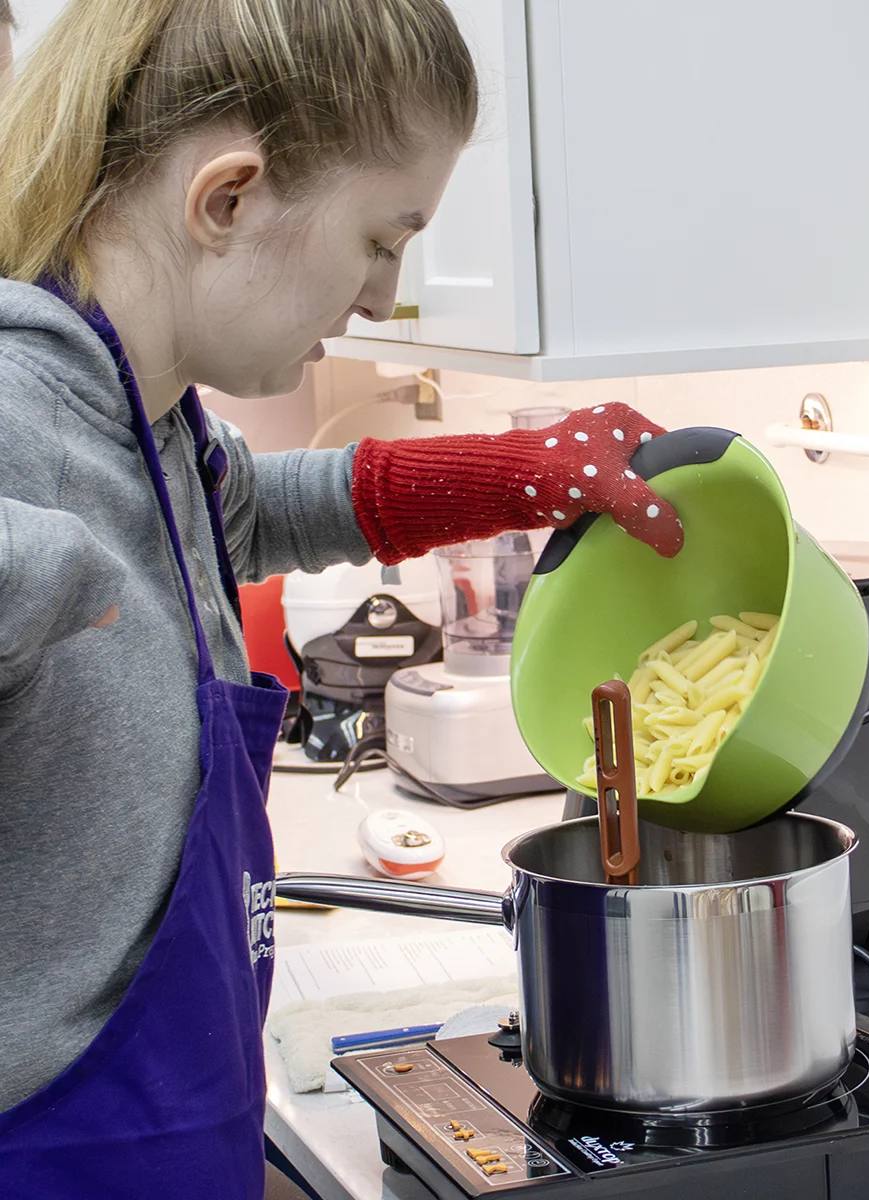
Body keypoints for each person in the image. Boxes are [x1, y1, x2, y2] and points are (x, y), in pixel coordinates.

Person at [0, 1, 682, 1196]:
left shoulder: (143, 414)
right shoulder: (24, 427)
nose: (382, 293)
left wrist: (520, 472)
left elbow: (249, 509)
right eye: (380, 237)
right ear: (229, 199)